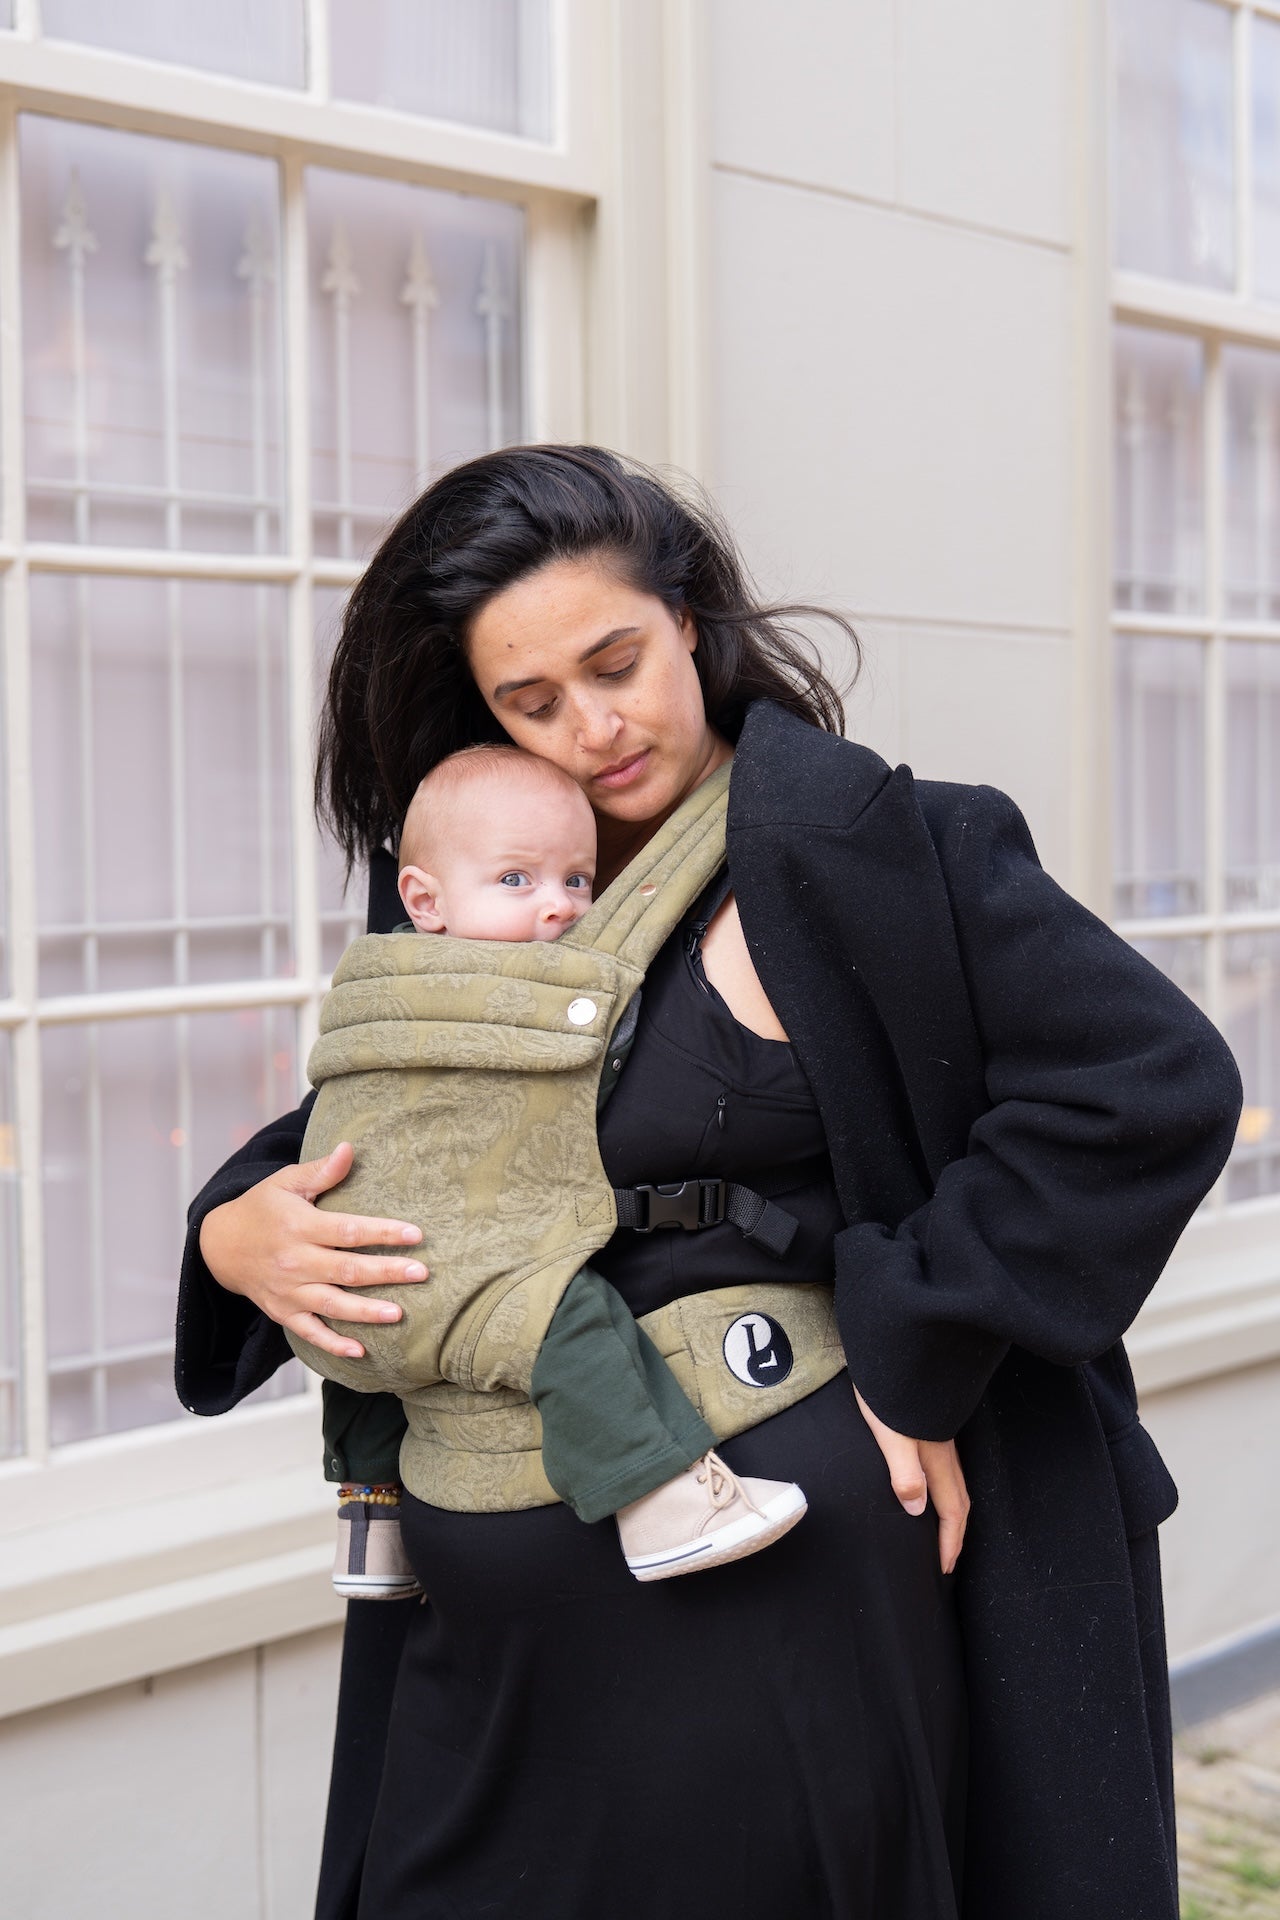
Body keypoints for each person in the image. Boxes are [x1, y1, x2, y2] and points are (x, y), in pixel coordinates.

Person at [177, 445, 1242, 1920]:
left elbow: (1147, 1085)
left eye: (615, 661)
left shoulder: (870, 847)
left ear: (689, 616)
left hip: (777, 1624)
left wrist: (916, 1341)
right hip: (486, 1633)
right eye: (530, 702)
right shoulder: (491, 876)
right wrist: (237, 1228)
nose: (592, 727)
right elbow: (380, 1109)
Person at [308, 739, 806, 1599]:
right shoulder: (493, 993)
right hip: (441, 1269)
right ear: (421, 900)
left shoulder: (375, 989)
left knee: (360, 1365)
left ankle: (372, 1525)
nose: (558, 908)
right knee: (578, 1328)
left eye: (577, 880)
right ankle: (662, 1503)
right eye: (517, 880)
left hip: (358, 1276)